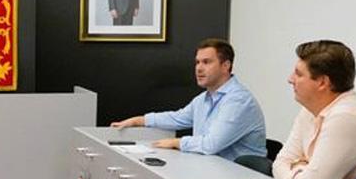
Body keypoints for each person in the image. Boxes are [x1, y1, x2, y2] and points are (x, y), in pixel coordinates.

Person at [110, 39, 266, 160]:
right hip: (210, 169)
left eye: (206, 62)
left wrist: (175, 142)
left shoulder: (238, 100)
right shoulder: (204, 98)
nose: (199, 68)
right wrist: (139, 120)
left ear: (226, 66)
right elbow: (177, 118)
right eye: (197, 62)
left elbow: (211, 144)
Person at [272, 40, 356, 179]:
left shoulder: (347, 117)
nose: (290, 79)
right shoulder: (309, 109)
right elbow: (279, 163)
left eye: (298, 74)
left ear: (322, 82)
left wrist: (297, 166)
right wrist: (302, 171)